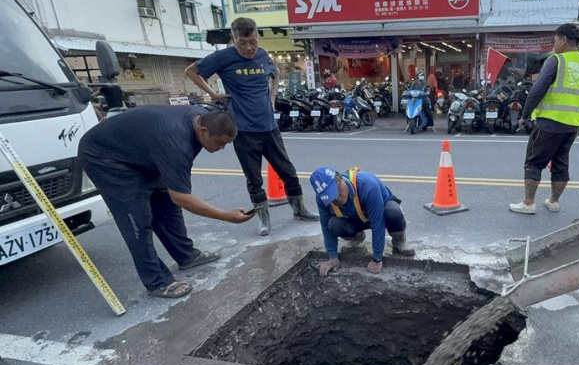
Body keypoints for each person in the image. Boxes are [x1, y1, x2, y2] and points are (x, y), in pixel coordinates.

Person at [78, 106, 253, 298]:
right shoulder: (177, 143)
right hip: (105, 158)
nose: (222, 148)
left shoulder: (203, 118)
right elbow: (181, 197)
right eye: (220, 143)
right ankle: (157, 282)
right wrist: (225, 216)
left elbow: (173, 195)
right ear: (203, 131)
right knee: (137, 219)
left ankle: (186, 255)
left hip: (142, 153)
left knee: (166, 204)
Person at [185, 17, 318, 237]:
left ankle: (300, 209)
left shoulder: (263, 54)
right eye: (243, 43)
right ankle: (263, 218)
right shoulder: (223, 57)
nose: (249, 47)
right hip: (243, 129)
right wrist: (213, 94)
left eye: (253, 42)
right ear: (234, 39)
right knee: (254, 178)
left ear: (257, 37)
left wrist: (273, 96)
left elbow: (274, 72)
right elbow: (191, 71)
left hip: (269, 126)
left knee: (288, 170)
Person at [511, 23, 579, 215]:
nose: (553, 44)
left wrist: (524, 116)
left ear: (563, 40)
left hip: (549, 122)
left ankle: (528, 202)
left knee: (534, 162)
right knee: (561, 163)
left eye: (555, 40)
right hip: (572, 125)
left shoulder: (556, 60)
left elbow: (537, 90)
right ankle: (554, 201)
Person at [310, 167, 415, 276]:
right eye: (332, 198)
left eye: (338, 192)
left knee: (393, 212)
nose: (338, 200)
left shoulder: (368, 186)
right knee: (333, 225)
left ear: (340, 179)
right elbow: (325, 227)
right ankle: (357, 237)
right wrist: (332, 257)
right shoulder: (322, 199)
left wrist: (376, 259)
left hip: (381, 213)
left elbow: (378, 224)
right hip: (355, 217)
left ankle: (399, 240)